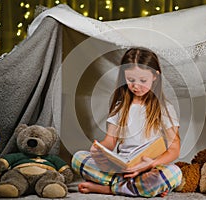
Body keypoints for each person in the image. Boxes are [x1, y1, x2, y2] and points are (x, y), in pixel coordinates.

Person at [71, 47, 182, 197]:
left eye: (143, 80)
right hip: (123, 168)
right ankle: (138, 187)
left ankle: (110, 189)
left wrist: (151, 164)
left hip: (149, 167)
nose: (136, 86)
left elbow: (174, 147)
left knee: (175, 173)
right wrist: (99, 149)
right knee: (78, 158)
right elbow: (110, 141)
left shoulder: (164, 109)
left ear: (155, 76)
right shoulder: (120, 107)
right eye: (130, 80)